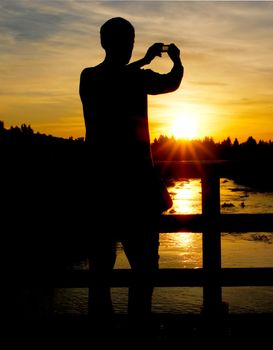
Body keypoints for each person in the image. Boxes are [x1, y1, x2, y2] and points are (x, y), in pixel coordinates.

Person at [79, 17, 183, 322]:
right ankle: (138, 329)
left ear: (102, 43)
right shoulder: (136, 79)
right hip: (137, 192)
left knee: (100, 270)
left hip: (99, 189)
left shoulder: (88, 78)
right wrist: (176, 61)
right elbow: (172, 81)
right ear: (130, 44)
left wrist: (143, 60)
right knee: (145, 268)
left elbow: (113, 75)